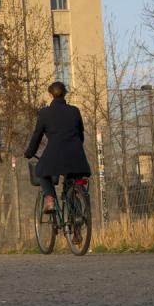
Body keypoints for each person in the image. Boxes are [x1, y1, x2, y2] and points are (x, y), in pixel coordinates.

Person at [24, 82, 92, 215]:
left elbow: (37, 135)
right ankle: (76, 227)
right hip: (76, 155)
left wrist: (30, 152)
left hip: (55, 154)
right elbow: (80, 135)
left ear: (50, 95)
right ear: (65, 93)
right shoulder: (75, 111)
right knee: (72, 181)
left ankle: (49, 200)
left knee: (41, 172)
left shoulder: (45, 113)